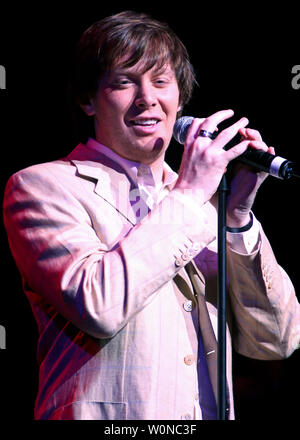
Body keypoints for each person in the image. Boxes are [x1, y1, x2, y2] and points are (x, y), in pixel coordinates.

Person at [3, 11, 299, 420]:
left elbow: (275, 340)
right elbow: (98, 305)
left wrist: (236, 218)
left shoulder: (202, 206)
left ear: (180, 99)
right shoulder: (42, 187)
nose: (148, 98)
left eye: (161, 81)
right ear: (88, 100)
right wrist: (193, 193)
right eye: (125, 82)